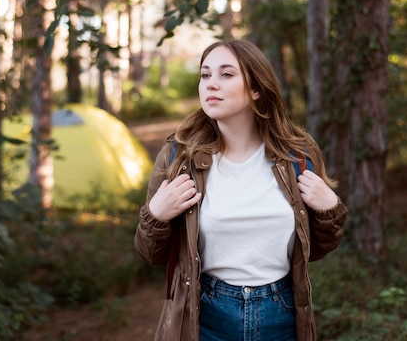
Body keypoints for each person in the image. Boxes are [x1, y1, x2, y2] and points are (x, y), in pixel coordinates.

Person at [134, 39, 347, 341]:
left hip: (282, 312)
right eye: (205, 75)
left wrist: (329, 210)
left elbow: (316, 248)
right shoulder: (179, 157)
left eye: (226, 74)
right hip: (205, 314)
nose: (211, 85)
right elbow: (150, 254)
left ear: (256, 88)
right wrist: (156, 215)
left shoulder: (297, 156)